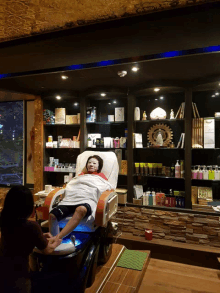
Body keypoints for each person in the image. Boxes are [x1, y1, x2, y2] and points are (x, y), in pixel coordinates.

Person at [0, 185, 62, 293]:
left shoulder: (3, 219)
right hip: (18, 277)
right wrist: (57, 241)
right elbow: (47, 250)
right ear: (28, 206)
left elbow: (19, 236)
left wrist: (40, 235)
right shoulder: (31, 226)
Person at [49, 155, 110, 240]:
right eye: (89, 162)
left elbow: (106, 188)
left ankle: (58, 238)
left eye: (94, 163)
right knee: (52, 215)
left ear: (99, 166)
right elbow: (71, 185)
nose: (91, 165)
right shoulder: (80, 176)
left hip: (87, 199)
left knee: (81, 209)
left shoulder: (101, 178)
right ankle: (52, 239)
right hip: (70, 200)